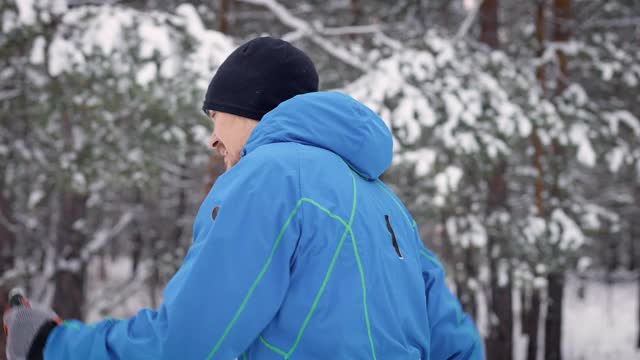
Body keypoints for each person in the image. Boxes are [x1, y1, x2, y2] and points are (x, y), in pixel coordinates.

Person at [3, 36, 483, 359]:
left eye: (215, 116)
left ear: (253, 108)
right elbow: (458, 345)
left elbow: (188, 344)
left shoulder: (269, 176)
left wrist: (51, 343)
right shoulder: (388, 205)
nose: (212, 138)